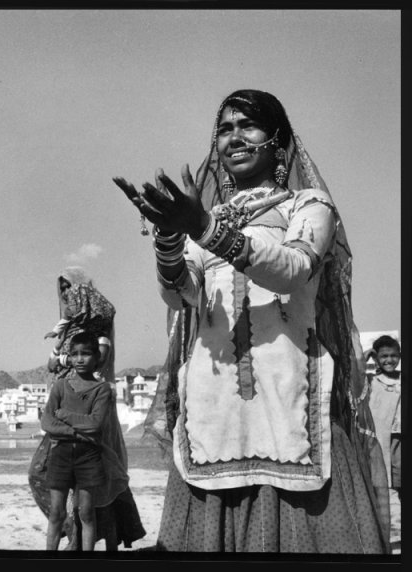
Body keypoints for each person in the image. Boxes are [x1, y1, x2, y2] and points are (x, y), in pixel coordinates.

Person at [113, 89, 390, 553]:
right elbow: (181, 294)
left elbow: (293, 268)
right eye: (225, 128)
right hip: (215, 405)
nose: (234, 137)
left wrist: (204, 229)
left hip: (290, 396)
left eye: (248, 125)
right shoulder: (210, 218)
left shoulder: (307, 205)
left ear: (278, 144)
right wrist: (166, 237)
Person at [30, 268, 145, 551]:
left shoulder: (98, 327)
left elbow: (98, 360)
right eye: (63, 290)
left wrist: (64, 357)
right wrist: (60, 343)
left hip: (90, 415)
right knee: (41, 476)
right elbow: (51, 365)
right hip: (63, 413)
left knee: (96, 491)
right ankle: (72, 533)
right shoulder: (67, 328)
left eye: (70, 288)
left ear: (83, 289)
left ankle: (84, 541)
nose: (66, 295)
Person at [39, 331, 113, 551]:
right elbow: (46, 422)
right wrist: (76, 433)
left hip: (88, 457)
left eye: (86, 354)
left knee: (87, 512)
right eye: (75, 354)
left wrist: (64, 415)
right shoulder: (61, 386)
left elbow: (96, 423)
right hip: (61, 454)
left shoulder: (101, 389)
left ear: (97, 357)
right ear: (69, 357)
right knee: (56, 513)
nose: (80, 359)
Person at [365, 335, 402, 500]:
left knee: (400, 473)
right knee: (382, 475)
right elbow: (352, 377)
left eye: (393, 355)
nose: (389, 360)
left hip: (399, 436)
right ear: (376, 358)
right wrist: (364, 357)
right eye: (384, 356)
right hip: (381, 438)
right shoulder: (371, 381)